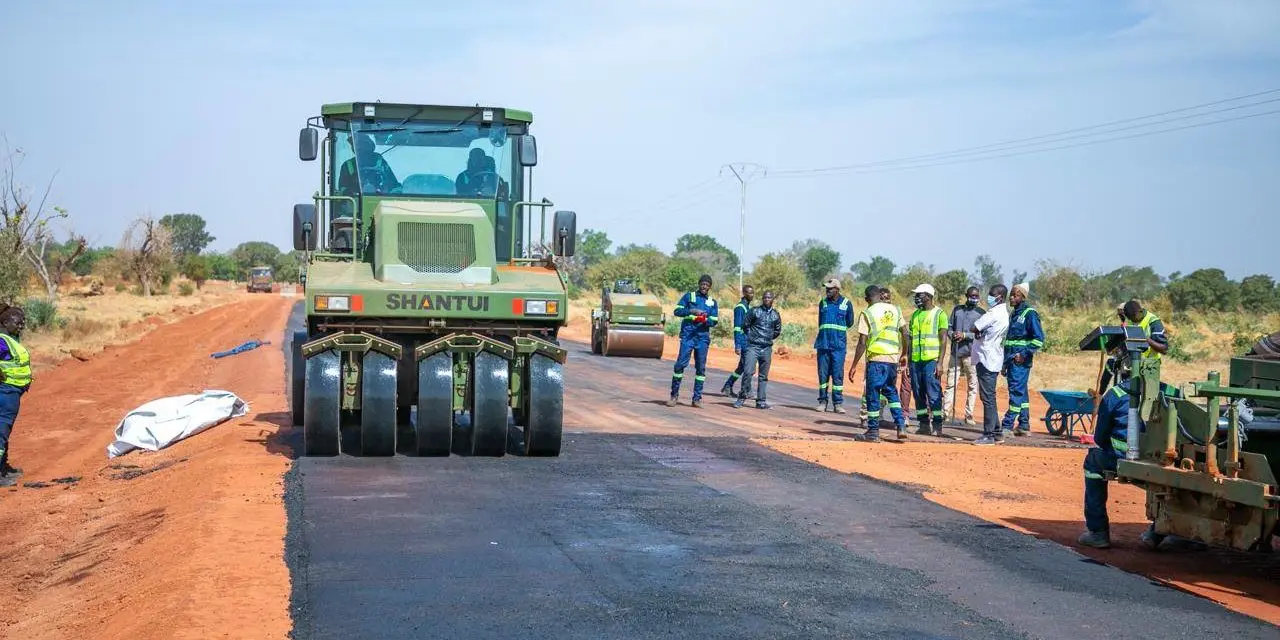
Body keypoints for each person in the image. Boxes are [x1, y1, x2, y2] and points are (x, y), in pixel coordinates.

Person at [1077, 359, 1179, 549]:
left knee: (1092, 462)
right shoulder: (1172, 392)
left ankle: (1098, 532)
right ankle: (1157, 533)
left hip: (1124, 458)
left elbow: (1100, 438)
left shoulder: (1115, 394)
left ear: (1122, 372)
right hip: (1165, 459)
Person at [847, 285, 910, 442]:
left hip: (876, 359)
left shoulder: (867, 313)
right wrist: (904, 353)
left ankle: (873, 431)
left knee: (873, 393)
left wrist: (854, 365)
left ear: (867, 299)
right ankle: (901, 426)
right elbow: (905, 333)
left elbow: (862, 342)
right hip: (892, 359)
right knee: (891, 392)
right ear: (880, 296)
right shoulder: (895, 310)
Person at [667, 274, 719, 408]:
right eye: (703, 284)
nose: (704, 287)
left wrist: (705, 319)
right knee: (680, 365)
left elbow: (715, 320)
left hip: (702, 337)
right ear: (699, 284)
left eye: (707, 285)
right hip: (688, 336)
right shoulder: (689, 296)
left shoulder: (712, 302)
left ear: (710, 287)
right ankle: (674, 396)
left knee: (701, 368)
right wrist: (692, 311)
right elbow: (677, 311)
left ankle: (696, 399)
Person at [1001, 282, 1045, 437]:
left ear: (1023, 297)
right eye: (1011, 295)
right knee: (1022, 393)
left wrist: (1023, 354)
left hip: (1020, 361)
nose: (1011, 298)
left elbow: (1038, 339)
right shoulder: (1014, 314)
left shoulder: (1030, 313)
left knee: (1016, 392)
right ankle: (1024, 425)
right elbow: (1009, 341)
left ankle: (1007, 426)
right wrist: (1005, 364)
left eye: (1015, 295)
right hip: (1011, 360)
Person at [908, 284, 949, 436]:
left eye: (919, 295)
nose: (917, 298)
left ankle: (937, 425)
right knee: (918, 392)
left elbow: (943, 340)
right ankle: (923, 424)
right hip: (916, 361)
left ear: (929, 296)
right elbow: (911, 339)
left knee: (933, 392)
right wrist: (908, 359)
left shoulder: (940, 314)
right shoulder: (915, 315)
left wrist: (940, 362)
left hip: (931, 360)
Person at [971, 284, 1010, 445]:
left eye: (992, 295)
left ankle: (988, 435)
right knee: (990, 397)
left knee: (987, 398)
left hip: (986, 359)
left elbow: (974, 327)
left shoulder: (993, 313)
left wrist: (978, 330)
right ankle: (997, 432)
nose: (990, 297)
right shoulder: (1004, 313)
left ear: (1000, 297)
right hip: (993, 358)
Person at [943, 287, 985, 426]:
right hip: (956, 352)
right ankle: (945, 413)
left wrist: (965, 335)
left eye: (976, 296)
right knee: (951, 384)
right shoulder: (957, 310)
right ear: (966, 296)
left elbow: (982, 334)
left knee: (972, 385)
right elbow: (949, 327)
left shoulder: (981, 313)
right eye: (972, 296)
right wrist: (953, 335)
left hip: (972, 354)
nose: (974, 298)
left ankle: (969, 415)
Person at [0, 304, 31, 487]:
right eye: (17, 322)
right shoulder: (2, 340)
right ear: (5, 322)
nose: (21, 325)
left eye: (23, 322)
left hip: (11, 391)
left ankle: (3, 467)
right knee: (1, 431)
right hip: (6, 391)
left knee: (4, 430)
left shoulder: (9, 339)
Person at [734, 290, 782, 410]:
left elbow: (777, 331)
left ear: (773, 299)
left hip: (766, 348)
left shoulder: (775, 315)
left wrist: (767, 338)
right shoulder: (755, 311)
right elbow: (745, 325)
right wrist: (752, 336)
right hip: (753, 347)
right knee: (748, 372)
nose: (767, 299)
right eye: (765, 297)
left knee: (763, 376)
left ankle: (761, 401)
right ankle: (742, 397)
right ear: (762, 299)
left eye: (769, 297)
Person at [813, 278, 854, 413]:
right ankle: (822, 402)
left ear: (837, 289)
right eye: (827, 288)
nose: (827, 290)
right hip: (823, 344)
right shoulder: (823, 303)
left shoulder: (847, 304)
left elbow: (850, 322)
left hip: (838, 347)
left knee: (837, 375)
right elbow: (820, 322)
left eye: (830, 288)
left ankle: (837, 404)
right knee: (823, 375)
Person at [337, 132, 401, 195]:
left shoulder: (380, 161)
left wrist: (396, 192)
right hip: (356, 200)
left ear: (370, 146)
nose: (361, 148)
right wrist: (347, 192)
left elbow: (393, 185)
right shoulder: (348, 165)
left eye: (363, 145)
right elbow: (342, 187)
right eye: (358, 146)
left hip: (380, 199)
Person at [720, 284, 755, 397]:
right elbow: (737, 328)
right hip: (743, 341)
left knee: (742, 367)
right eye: (749, 292)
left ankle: (728, 386)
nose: (752, 295)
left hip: (748, 341)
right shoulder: (740, 307)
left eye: (753, 293)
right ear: (744, 293)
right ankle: (746, 390)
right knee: (747, 367)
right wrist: (738, 345)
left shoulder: (747, 307)